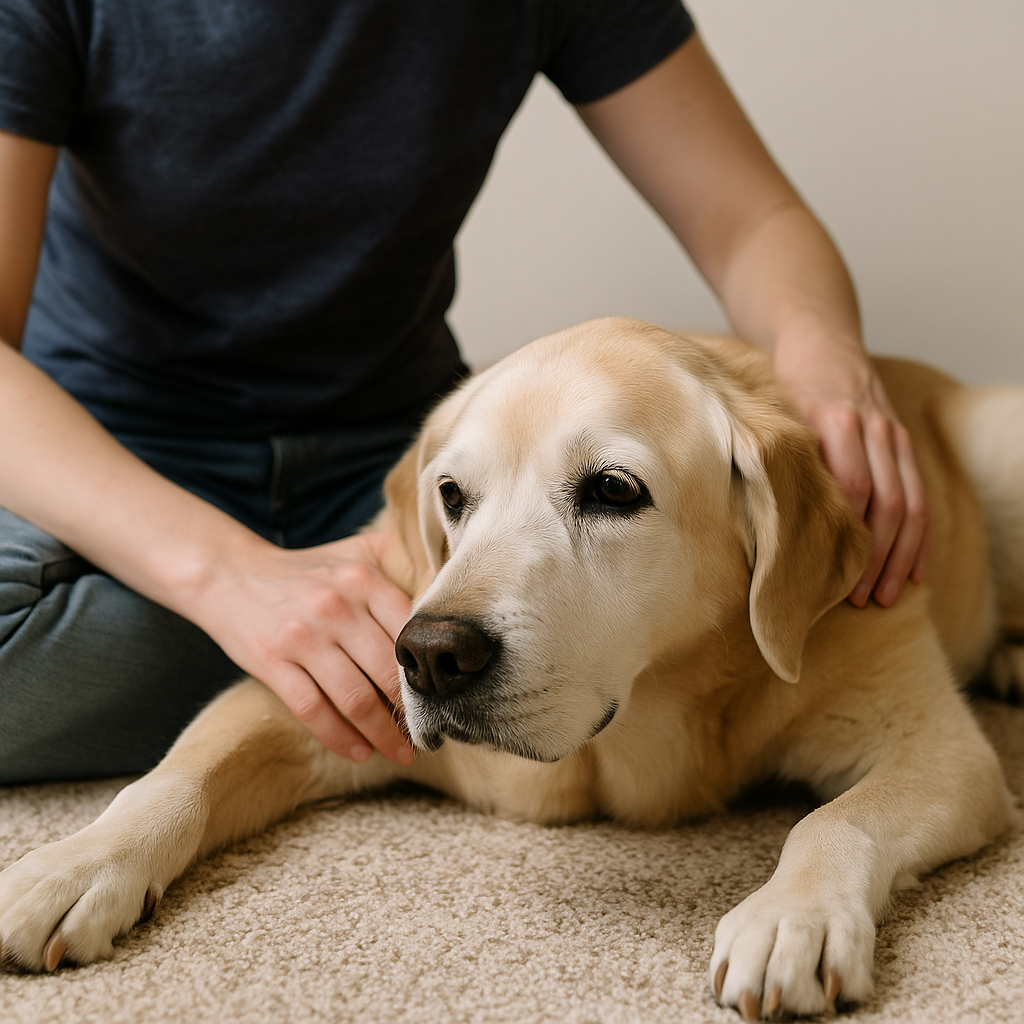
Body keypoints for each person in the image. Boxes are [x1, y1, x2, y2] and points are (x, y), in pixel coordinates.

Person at [0, 0, 928, 784]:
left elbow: (750, 218)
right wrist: (225, 579)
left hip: (397, 471)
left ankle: (425, 657)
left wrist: (825, 354)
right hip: (105, 464)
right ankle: (396, 659)